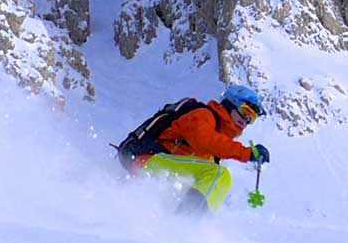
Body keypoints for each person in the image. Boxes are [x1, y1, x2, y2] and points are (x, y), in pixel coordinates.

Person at [114, 84, 271, 213]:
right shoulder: (202, 115)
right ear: (230, 104)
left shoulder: (216, 149)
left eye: (252, 118)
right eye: (245, 112)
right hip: (150, 159)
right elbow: (203, 141)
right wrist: (246, 153)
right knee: (219, 175)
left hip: (162, 169)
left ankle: (177, 224)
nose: (246, 121)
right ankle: (185, 223)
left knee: (216, 183)